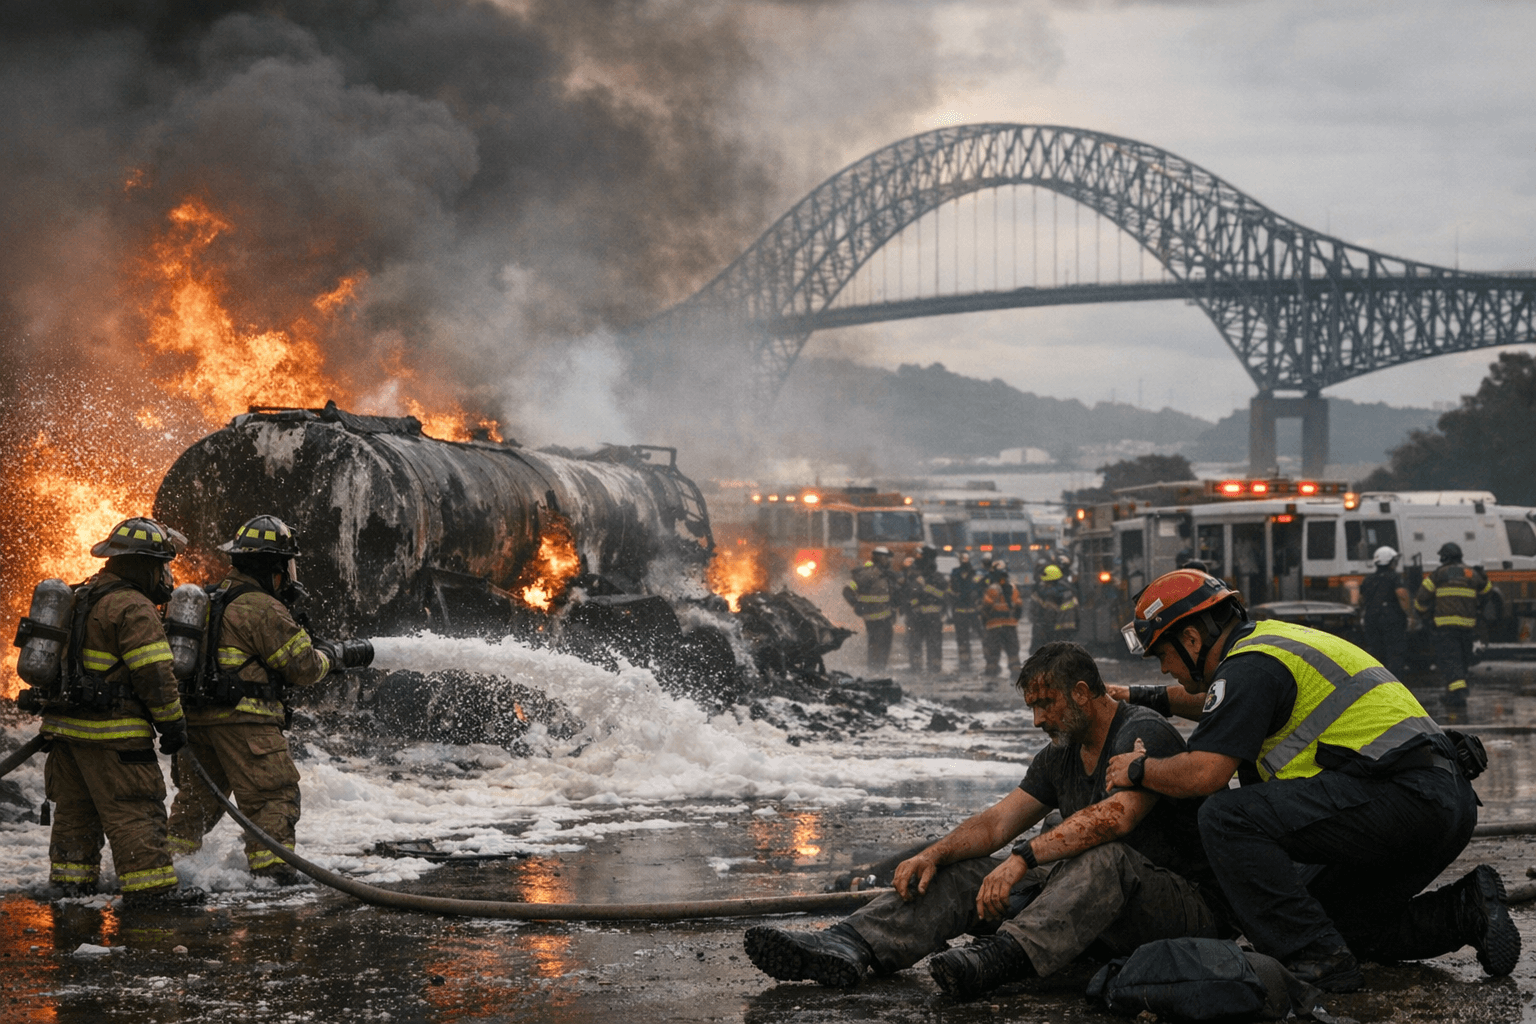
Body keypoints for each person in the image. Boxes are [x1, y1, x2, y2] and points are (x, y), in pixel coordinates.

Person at [1106, 568, 1518, 993]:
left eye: (1162, 656)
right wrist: (1139, 696)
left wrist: (1138, 768)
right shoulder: (1269, 646)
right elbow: (1216, 705)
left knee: (1226, 817)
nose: (1165, 669)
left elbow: (1205, 773)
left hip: (1404, 800)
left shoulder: (1247, 667)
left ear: (1191, 639)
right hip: (1442, 802)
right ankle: (1466, 910)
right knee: (1332, 924)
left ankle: (1314, 962)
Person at [743, 642, 1224, 999]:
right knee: (963, 869)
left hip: (1178, 911)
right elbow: (997, 823)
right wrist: (931, 854)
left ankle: (998, 961)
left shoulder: (1142, 733)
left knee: (1105, 858)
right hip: (1091, 907)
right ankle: (849, 944)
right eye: (1032, 707)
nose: (1037, 719)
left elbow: (1115, 819)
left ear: (1081, 693)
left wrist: (1021, 859)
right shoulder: (1058, 754)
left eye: (1045, 704)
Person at [33, 518, 195, 904]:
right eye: (161, 566)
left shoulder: (80, 596)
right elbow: (155, 674)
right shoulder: (134, 607)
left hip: (66, 733)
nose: (165, 576)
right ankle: (151, 890)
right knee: (134, 811)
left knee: (76, 814)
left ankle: (73, 887)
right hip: (114, 736)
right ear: (143, 566)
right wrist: (172, 723)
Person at [166, 515, 337, 884]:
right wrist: (331, 657)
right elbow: (303, 668)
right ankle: (271, 876)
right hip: (247, 725)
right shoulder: (262, 607)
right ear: (275, 568)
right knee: (272, 798)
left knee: (194, 806)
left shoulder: (205, 599)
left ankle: (167, 868)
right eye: (286, 566)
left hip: (196, 723)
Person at [1413, 541, 1492, 721]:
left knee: (1450, 660)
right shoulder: (1471, 573)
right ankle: (1453, 695)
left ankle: (1458, 693)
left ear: (1445, 557)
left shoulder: (1438, 574)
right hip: (1467, 625)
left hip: (1445, 626)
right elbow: (1487, 591)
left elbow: (1421, 597)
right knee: (1461, 660)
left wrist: (1423, 615)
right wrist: (1479, 605)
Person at [1358, 546, 1410, 678]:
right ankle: (1393, 683)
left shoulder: (1368, 579)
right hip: (1392, 621)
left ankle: (1377, 683)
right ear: (1390, 562)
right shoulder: (1394, 578)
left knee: (1376, 654)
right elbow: (1402, 595)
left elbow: (1360, 600)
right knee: (1395, 653)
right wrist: (1410, 616)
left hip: (1371, 621)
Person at [843, 547, 898, 671]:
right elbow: (847, 590)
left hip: (885, 616)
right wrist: (856, 604)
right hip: (875, 618)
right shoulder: (867, 574)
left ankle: (879, 671)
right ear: (881, 558)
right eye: (886, 558)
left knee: (883, 645)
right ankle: (875, 672)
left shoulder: (886, 574)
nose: (889, 561)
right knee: (877, 645)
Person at [905, 546, 947, 674]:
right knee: (915, 642)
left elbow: (944, 596)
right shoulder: (914, 576)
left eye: (920, 555)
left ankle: (934, 669)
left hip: (932, 616)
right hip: (917, 616)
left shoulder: (937, 578)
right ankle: (916, 668)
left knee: (932, 643)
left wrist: (924, 587)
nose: (917, 558)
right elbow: (909, 595)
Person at [979, 561, 1023, 679]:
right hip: (1010, 625)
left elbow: (986, 606)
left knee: (993, 653)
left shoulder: (992, 589)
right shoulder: (1013, 588)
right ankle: (1016, 674)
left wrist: (984, 621)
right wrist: (1014, 620)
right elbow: (1019, 606)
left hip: (994, 626)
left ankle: (991, 677)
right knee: (1013, 652)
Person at [949, 554, 983, 672]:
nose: (965, 561)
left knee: (982, 634)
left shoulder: (974, 573)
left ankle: (990, 659)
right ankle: (964, 661)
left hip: (972, 610)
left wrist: (977, 597)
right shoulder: (955, 573)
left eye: (967, 559)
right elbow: (951, 590)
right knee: (962, 637)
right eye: (963, 559)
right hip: (959, 610)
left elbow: (980, 589)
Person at [1029, 564, 1078, 643]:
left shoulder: (1044, 594)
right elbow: (1077, 615)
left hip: (1050, 633)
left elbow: (1040, 614)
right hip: (1068, 633)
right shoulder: (1070, 593)